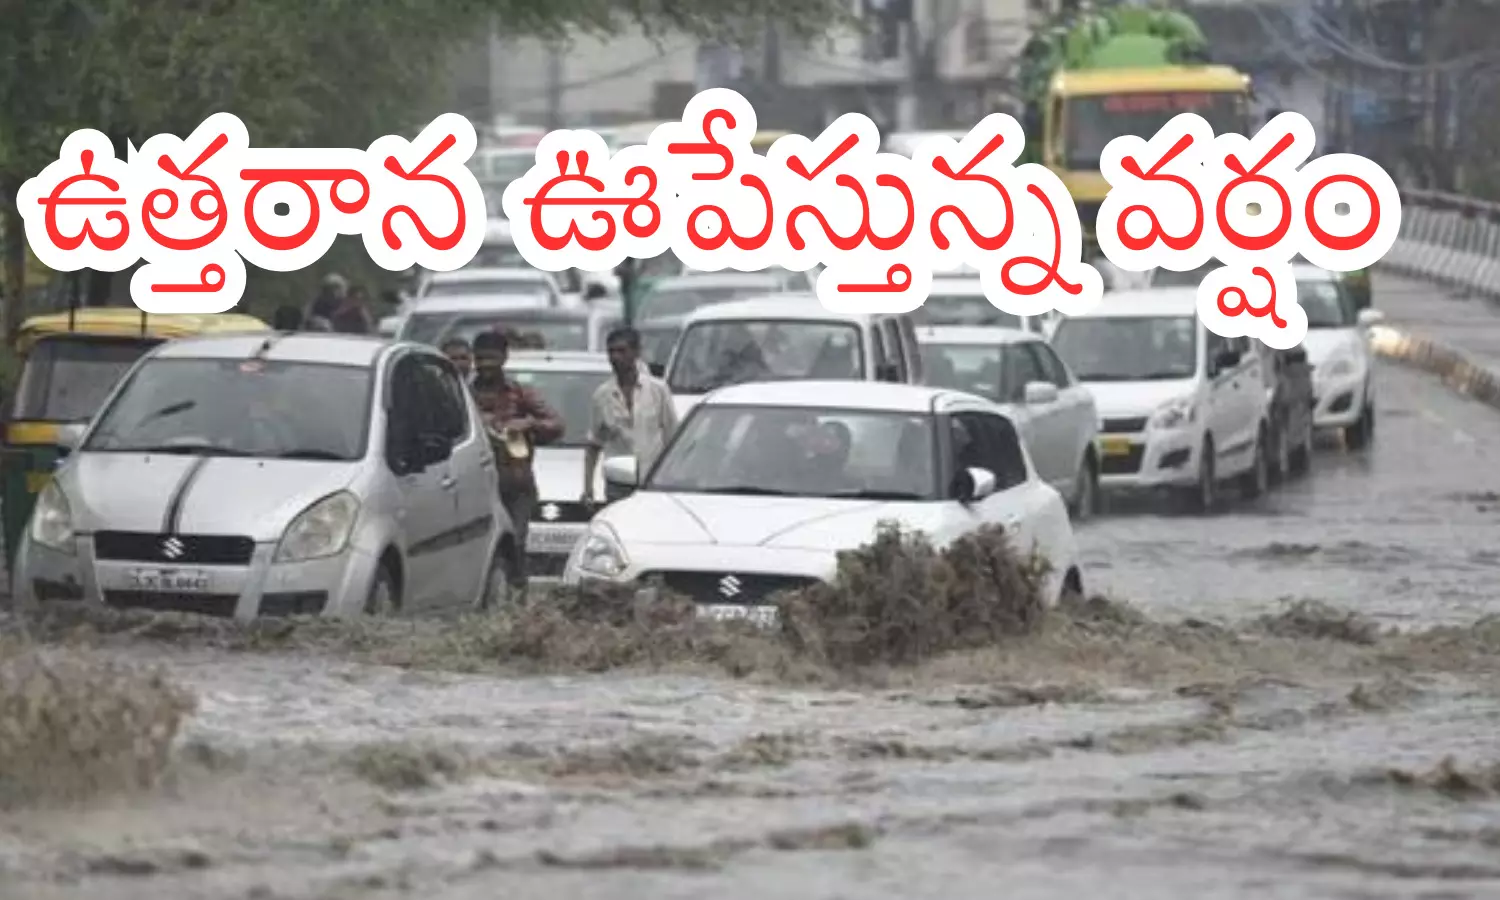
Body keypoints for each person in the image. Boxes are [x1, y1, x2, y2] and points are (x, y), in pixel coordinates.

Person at [471, 330, 564, 601]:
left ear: (504, 358)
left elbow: (557, 425)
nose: (486, 365)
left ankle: (516, 602)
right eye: (481, 359)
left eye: (492, 358)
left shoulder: (520, 393)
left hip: (516, 484)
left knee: (517, 544)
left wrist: (529, 425)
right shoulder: (465, 394)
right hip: (476, 486)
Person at [583, 327, 679, 505]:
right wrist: (588, 488)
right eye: (611, 352)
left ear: (636, 352)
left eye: (622, 351)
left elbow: (672, 438)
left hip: (652, 483)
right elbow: (594, 445)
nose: (615, 357)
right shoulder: (602, 396)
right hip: (618, 485)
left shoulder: (658, 390)